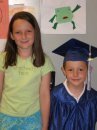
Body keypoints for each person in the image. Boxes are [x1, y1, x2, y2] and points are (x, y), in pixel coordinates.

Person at [0, 11, 54, 130]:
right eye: (18, 32)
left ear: (35, 33)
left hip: (33, 118)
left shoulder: (44, 61)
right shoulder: (3, 58)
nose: (24, 36)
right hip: (5, 117)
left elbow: (45, 95)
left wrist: (45, 126)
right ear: (12, 36)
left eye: (28, 31)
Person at [49, 38, 97, 130]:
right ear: (64, 71)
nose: (75, 74)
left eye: (80, 69)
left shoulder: (93, 97)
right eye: (70, 70)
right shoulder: (55, 95)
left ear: (89, 70)